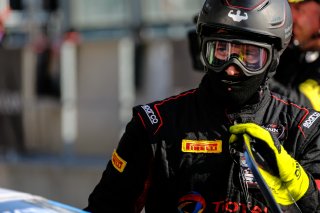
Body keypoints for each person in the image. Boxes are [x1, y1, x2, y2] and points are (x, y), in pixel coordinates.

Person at [84, 0, 320, 212]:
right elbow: (104, 207)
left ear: (273, 58)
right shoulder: (154, 125)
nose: (231, 67)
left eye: (249, 55)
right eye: (220, 50)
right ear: (202, 49)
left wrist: (299, 183)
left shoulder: (305, 129)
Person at [268, 0, 320, 110]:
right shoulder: (292, 50)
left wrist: (259, 77)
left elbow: (303, 105)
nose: (292, 15)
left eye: (299, 10)